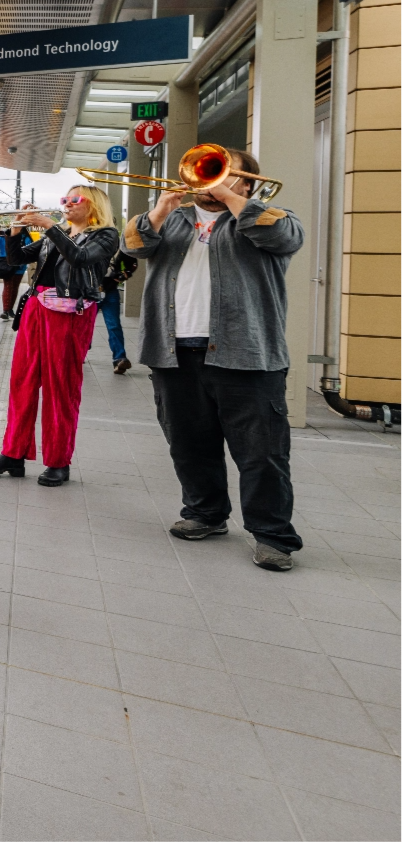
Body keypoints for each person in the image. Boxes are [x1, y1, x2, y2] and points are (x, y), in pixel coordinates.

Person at [120, 150, 304, 571]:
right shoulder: (176, 219)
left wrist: (229, 195)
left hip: (247, 354)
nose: (208, 182)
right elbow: (132, 247)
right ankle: (205, 513)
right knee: (188, 441)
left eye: (223, 174)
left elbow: (284, 238)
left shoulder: (270, 216)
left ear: (247, 182)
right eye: (206, 173)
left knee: (261, 452)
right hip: (174, 350)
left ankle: (273, 535)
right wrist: (162, 209)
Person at [0, 187, 118, 486]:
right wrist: (16, 229)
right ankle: (13, 453)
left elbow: (80, 257)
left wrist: (49, 226)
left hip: (70, 314)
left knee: (61, 387)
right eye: (64, 199)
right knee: (22, 381)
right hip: (36, 309)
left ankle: (58, 461)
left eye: (74, 200)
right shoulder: (59, 233)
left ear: (94, 205)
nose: (66, 204)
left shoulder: (105, 235)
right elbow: (16, 259)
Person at [0, 222, 36, 319]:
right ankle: (6, 310)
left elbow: (30, 250)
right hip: (11, 266)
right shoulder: (6, 236)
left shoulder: (15, 237)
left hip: (17, 267)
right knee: (10, 287)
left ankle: (8, 310)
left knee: (13, 287)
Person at [101, 252, 137, 375]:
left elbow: (132, 261)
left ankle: (120, 359)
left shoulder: (117, 247)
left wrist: (125, 274)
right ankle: (80, 353)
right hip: (88, 292)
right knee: (84, 327)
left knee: (114, 325)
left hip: (110, 290)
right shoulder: (86, 240)